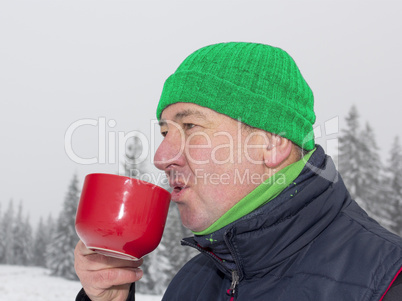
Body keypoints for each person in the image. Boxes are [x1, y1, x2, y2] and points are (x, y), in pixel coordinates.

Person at [75, 42, 402, 300]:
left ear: (271, 144)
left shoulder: (388, 282)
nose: (162, 157)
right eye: (165, 133)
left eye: (190, 126)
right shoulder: (191, 285)